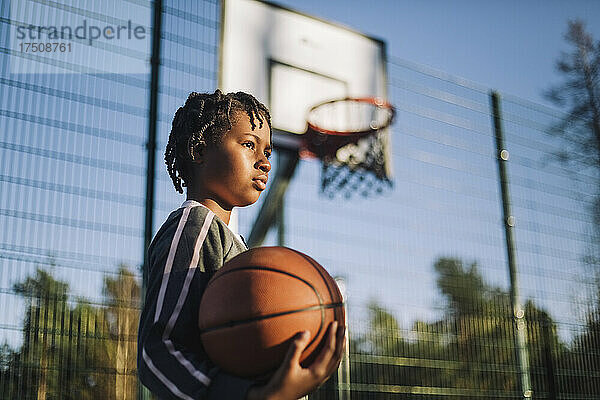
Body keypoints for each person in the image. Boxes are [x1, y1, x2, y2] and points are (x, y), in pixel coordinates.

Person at [138, 90, 345, 400]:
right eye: (249, 145)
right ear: (199, 151)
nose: (265, 163)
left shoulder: (236, 247)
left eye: (268, 152)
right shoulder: (194, 225)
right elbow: (158, 351)